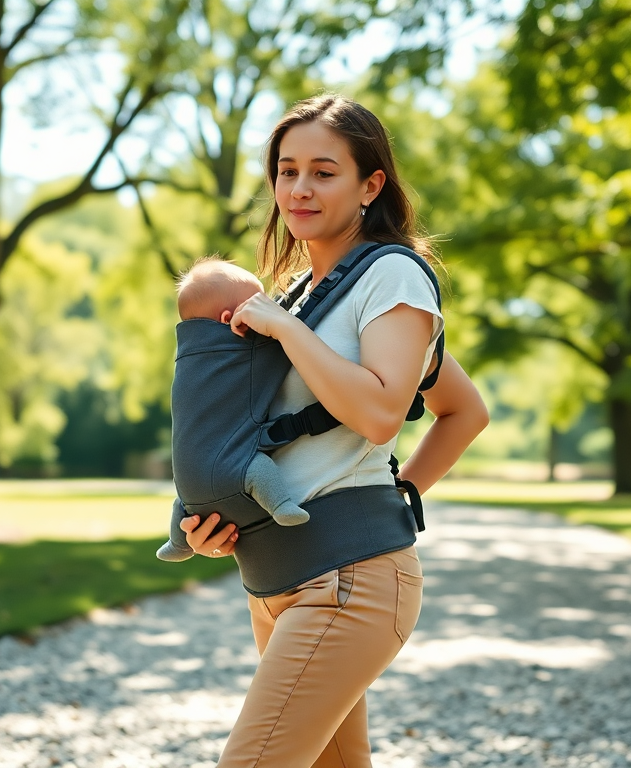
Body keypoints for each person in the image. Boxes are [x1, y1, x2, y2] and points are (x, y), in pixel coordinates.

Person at [176, 94, 489, 766]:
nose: (299, 188)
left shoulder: (394, 276)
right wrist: (216, 522)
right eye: (287, 171)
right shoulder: (298, 295)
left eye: (323, 171)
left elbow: (382, 412)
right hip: (276, 581)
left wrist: (391, 500)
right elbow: (468, 407)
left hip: (348, 582)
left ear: (370, 184)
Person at [156, 258, 311, 563]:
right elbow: (287, 348)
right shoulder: (244, 349)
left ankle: (178, 540)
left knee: (184, 502)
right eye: (258, 303)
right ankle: (282, 506)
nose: (266, 308)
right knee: (256, 469)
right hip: (233, 472)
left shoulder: (188, 358)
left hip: (188, 488)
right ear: (229, 319)